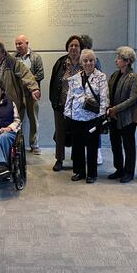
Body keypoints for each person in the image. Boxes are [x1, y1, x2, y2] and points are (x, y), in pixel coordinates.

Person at [64, 49, 108, 183]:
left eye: (91, 60)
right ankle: (79, 171)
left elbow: (104, 98)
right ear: (81, 62)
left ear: (95, 61)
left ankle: (92, 174)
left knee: (92, 146)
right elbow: (70, 97)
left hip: (92, 118)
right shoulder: (75, 78)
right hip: (76, 116)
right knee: (77, 146)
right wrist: (67, 114)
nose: (88, 63)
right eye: (85, 60)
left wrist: (101, 116)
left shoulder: (101, 77)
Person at [49, 35, 84, 171]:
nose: (73, 48)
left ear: (81, 48)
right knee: (60, 132)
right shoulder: (60, 62)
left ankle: (77, 158)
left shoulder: (85, 62)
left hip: (79, 107)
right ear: (67, 48)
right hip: (61, 104)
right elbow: (53, 82)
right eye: (71, 45)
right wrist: (53, 101)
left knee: (77, 132)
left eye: (76, 45)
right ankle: (59, 159)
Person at [107, 46, 137, 183]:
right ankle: (119, 169)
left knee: (128, 145)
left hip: (127, 118)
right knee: (115, 144)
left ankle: (129, 172)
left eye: (119, 58)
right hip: (113, 116)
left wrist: (115, 109)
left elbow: (132, 99)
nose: (116, 60)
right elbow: (108, 93)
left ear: (127, 61)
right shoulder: (115, 75)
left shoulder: (134, 77)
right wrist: (109, 108)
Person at [14, 34, 44, 154]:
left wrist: (28, 81)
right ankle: (16, 144)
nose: (18, 46)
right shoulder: (13, 58)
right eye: (16, 44)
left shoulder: (36, 57)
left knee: (34, 119)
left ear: (27, 43)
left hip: (32, 93)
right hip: (18, 94)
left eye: (20, 43)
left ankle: (34, 145)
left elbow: (41, 74)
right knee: (16, 119)